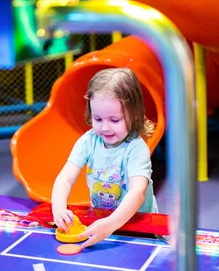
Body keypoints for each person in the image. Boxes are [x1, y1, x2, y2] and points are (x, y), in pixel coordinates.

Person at [51, 67, 158, 248]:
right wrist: (59, 208)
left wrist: (112, 223)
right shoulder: (88, 141)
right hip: (101, 222)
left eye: (114, 120)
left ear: (134, 115)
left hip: (139, 228)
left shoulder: (136, 149)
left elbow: (137, 192)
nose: (105, 128)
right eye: (98, 119)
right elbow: (65, 178)